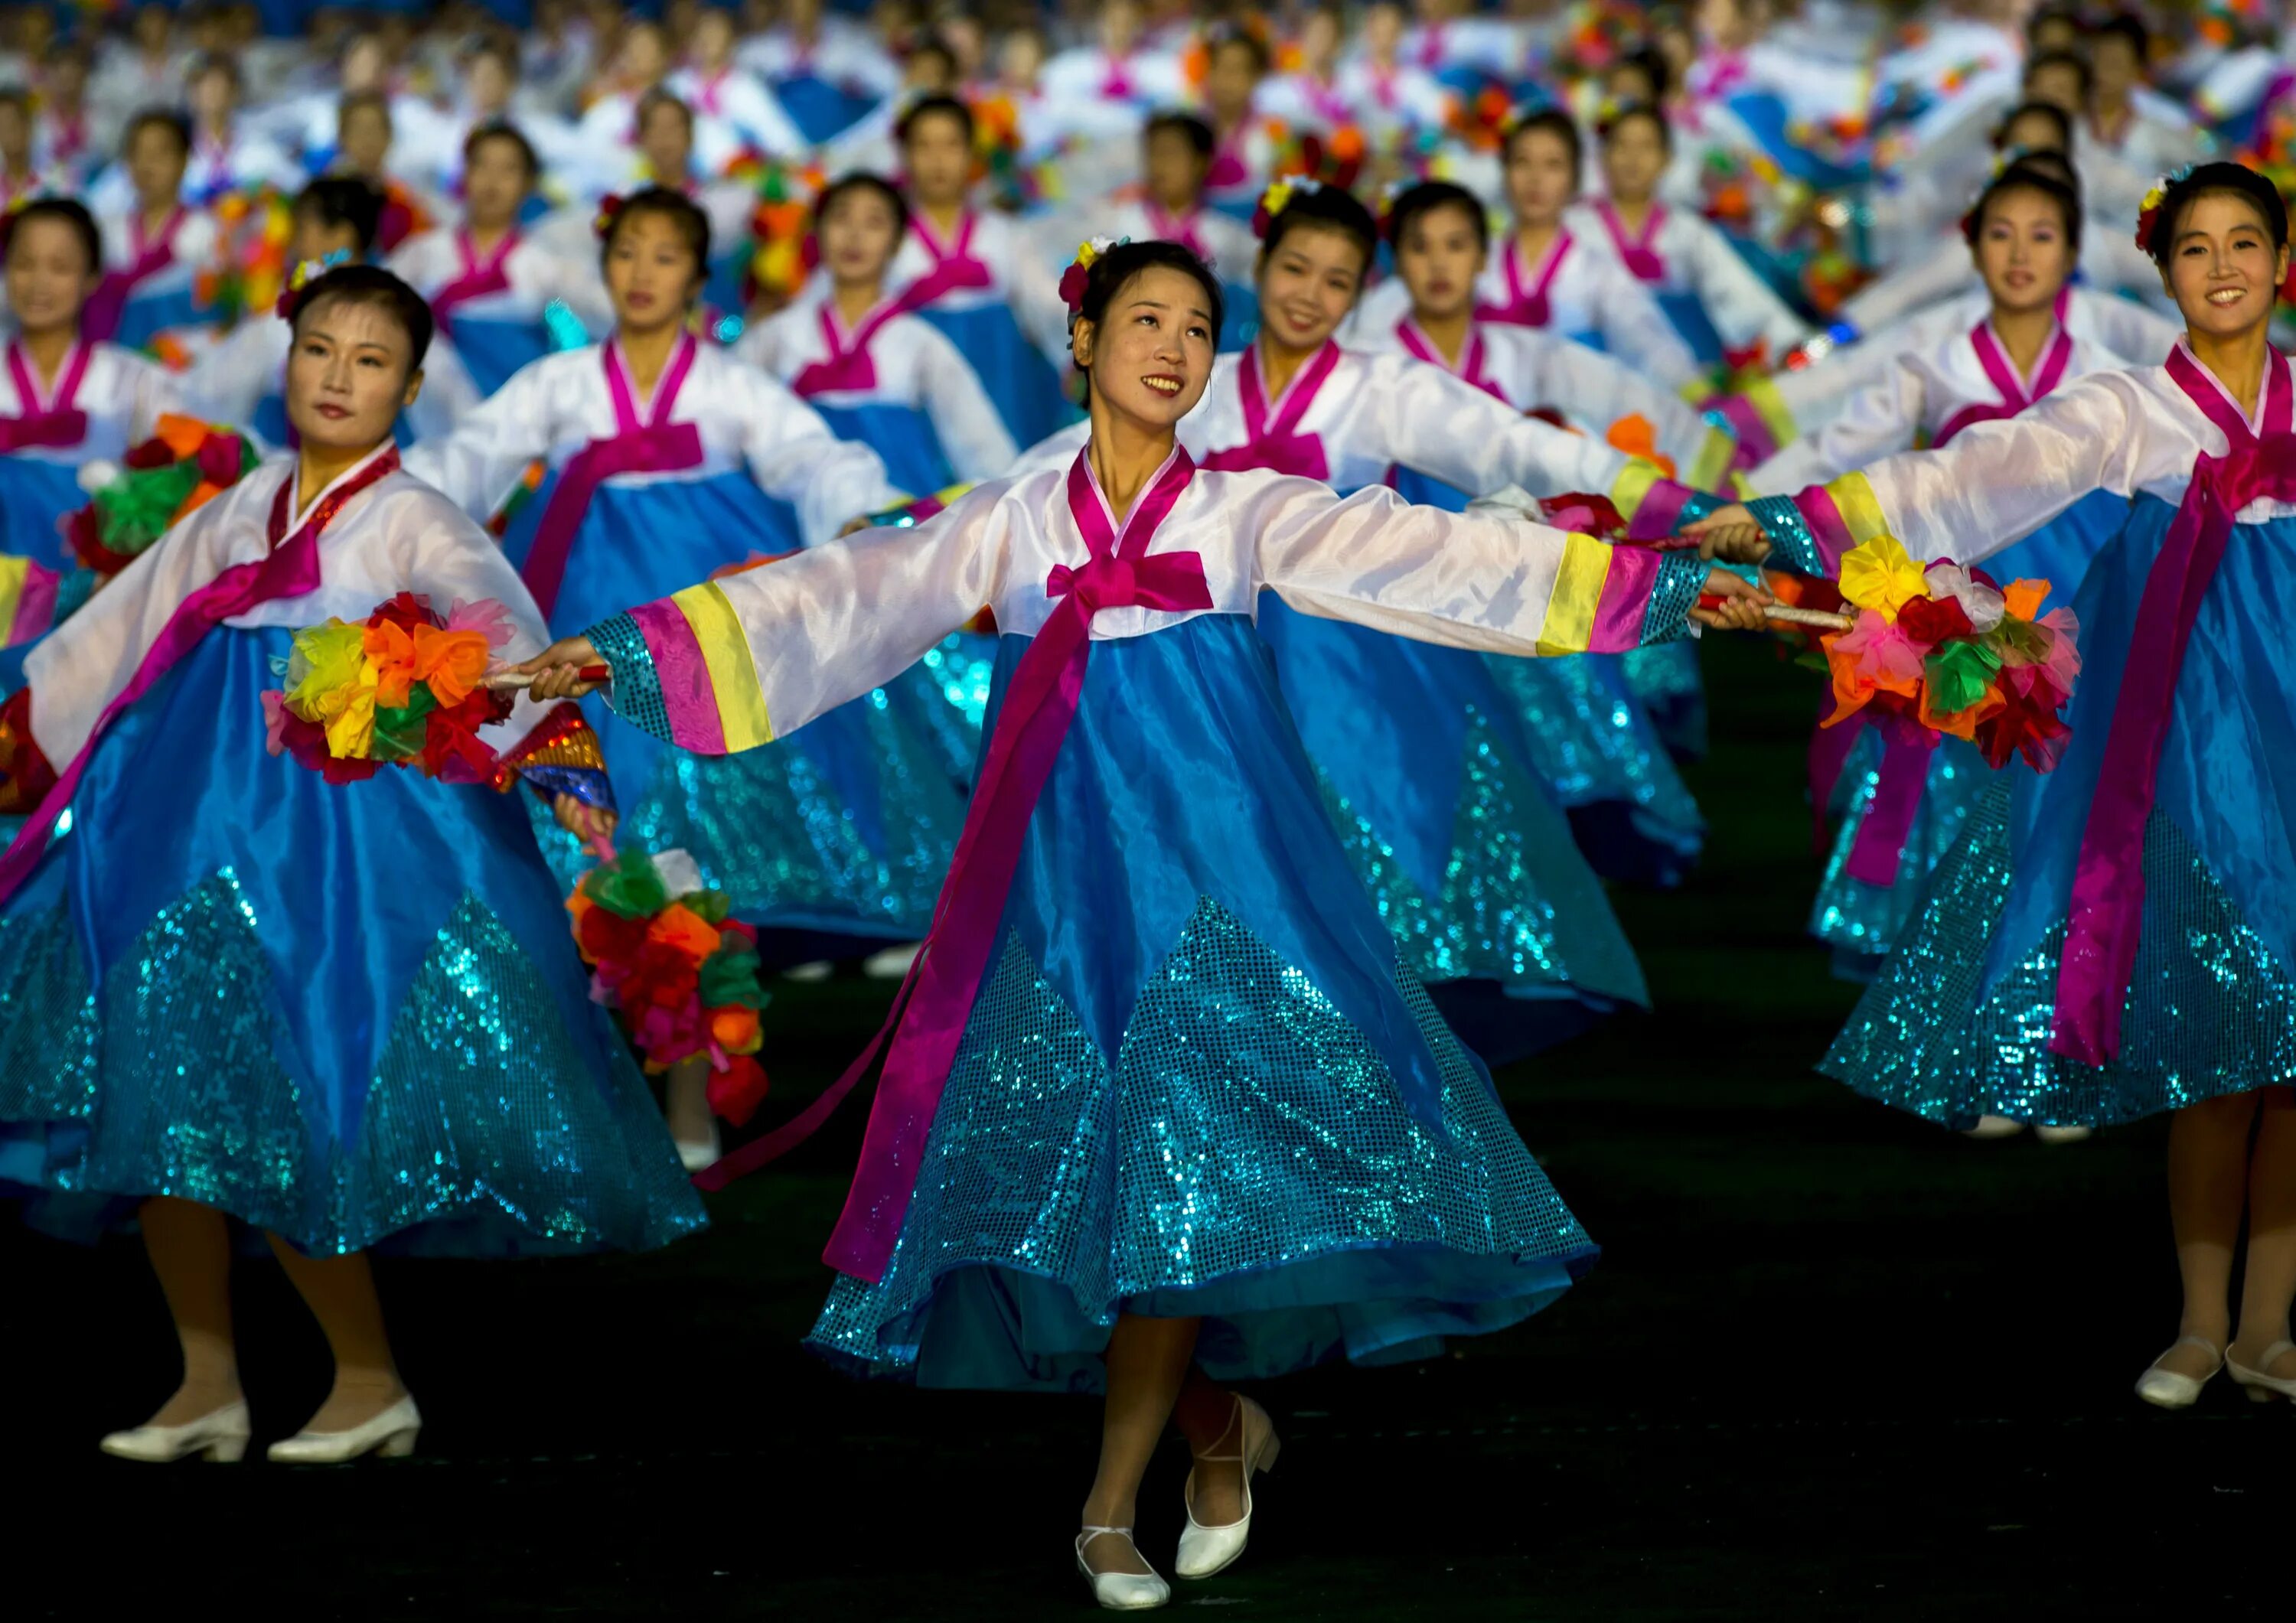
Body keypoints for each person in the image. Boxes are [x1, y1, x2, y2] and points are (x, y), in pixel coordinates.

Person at [510, 236, 1766, 1607]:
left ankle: (1108, 1507)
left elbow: (1441, 555)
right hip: (1063, 892)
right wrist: (633, 646)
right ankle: (1217, 1425)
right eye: (1144, 320)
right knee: (1085, 1167)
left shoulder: (1246, 509)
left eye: (1194, 327)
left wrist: (1669, 585)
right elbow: (850, 593)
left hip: (1227, 878)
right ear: (1086, 344)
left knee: (1175, 1149)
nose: (1173, 346)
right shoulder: (1017, 514)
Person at [0, 262, 705, 1465]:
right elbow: (117, 632)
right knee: (166, 1082)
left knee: (288, 1092)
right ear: (288, 359)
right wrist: (30, 727)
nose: (338, 376)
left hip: (332, 854)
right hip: (182, 824)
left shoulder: (417, 517)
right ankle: (206, 1382)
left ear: (413, 386)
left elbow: (501, 642)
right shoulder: (238, 505)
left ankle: (369, 1380)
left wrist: (543, 753)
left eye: (371, 360)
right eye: (320, 349)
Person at [1684, 162, 2296, 1410]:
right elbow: (1961, 477)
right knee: (2224, 1029)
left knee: (2293, 1049)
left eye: (2247, 243)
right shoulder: (2132, 408)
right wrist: (1790, 519)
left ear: (2283, 264)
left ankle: (2272, 1324)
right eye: (2195, 248)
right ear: (2163, 270)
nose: (2223, 267)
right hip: (2182, 740)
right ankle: (2198, 1317)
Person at [403, 187, 953, 1091]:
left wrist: (852, 509)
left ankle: (698, 1051)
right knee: (606, 809)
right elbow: (471, 456)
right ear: (604, 268)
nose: (643, 273)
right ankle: (610, 1043)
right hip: (587, 602)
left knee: (704, 809)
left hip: (700, 614)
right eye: (628, 254)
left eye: (665, 257)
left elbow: (808, 453)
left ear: (698, 279)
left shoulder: (730, 383)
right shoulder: (560, 381)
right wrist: (387, 496)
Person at [1750, 162, 2130, 1028]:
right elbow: (1843, 449)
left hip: (2072, 605)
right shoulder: (1937, 359)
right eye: (2000, 234)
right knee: (1963, 812)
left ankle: (2048, 1030)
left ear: (2074, 250)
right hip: (1955, 610)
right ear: (1971, 248)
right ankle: (1966, 1028)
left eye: (2042, 235)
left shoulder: (2113, 373)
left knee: (2065, 809)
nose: (2021, 253)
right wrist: (1744, 508)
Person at [1358, 107, 1703, 391]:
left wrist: (1692, 392)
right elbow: (1390, 309)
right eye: (1523, 162)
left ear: (1574, 179)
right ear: (1504, 171)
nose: (1536, 178)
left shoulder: (1595, 270)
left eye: (1553, 165)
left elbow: (1648, 340)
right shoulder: (1470, 258)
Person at [184, 178, 481, 452]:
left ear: (341, 236)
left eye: (302, 230)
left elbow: (452, 405)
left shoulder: (394, 314)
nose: (294, 243)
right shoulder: (291, 311)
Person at [0, 198, 181, 571]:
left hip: (97, 594)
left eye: (60, 267)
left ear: (93, 276)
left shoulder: (134, 381)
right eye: (24, 263)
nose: (39, 282)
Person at [885, 93, 1075, 449]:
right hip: (917, 396)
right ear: (905, 156)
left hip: (1004, 389)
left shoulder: (1004, 234)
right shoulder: (885, 241)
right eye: (924, 146)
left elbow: (1049, 305)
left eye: (951, 145)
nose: (938, 160)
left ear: (972, 154)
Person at [386, 122, 613, 396]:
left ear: (529, 184)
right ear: (464, 174)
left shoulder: (546, 267)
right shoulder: (420, 256)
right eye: (482, 165)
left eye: (508, 169)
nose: (492, 180)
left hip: (519, 420)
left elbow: (591, 326)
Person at [1577, 101, 1806, 367]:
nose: (1633, 158)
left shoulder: (1688, 231)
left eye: (1646, 147)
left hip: (1690, 377)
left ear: (1666, 158)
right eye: (1621, 146)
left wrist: (1786, 345)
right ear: (1603, 156)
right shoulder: (1574, 229)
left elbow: (1737, 295)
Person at [84, 111, 223, 356]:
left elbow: (216, 314)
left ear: (184, 161)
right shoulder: (106, 231)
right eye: (137, 153)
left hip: (188, 361)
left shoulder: (207, 230)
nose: (147, 164)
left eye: (160, 153)